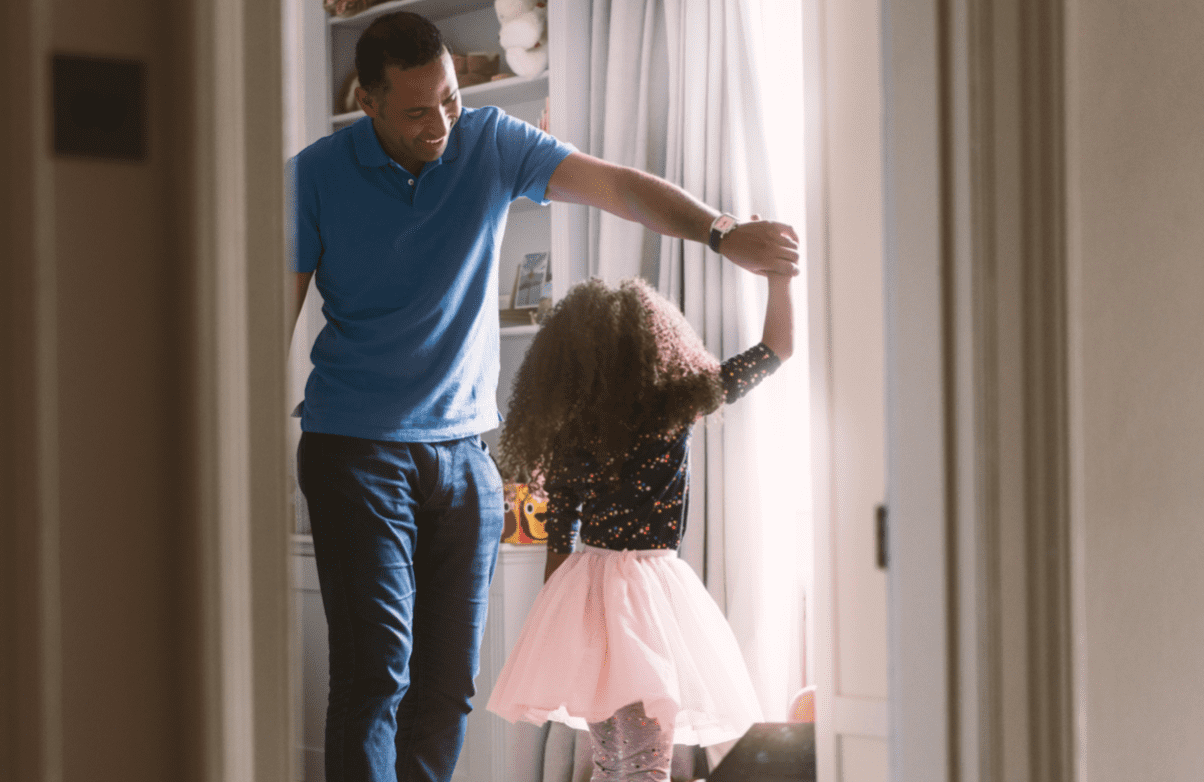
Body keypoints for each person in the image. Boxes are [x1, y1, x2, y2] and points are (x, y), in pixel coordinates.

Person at [289, 10, 798, 782]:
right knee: (375, 673)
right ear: (369, 101)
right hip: (355, 449)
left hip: (465, 455)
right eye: (418, 111)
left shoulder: (491, 143)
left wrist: (722, 233)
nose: (441, 125)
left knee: (449, 684)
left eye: (451, 100)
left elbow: (618, 189)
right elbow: (269, 320)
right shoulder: (316, 175)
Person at [486, 273, 793, 782]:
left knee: (612, 762)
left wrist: (555, 617)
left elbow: (560, 534)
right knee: (648, 765)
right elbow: (776, 349)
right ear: (655, 340)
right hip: (649, 590)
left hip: (588, 590)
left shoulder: (574, 425)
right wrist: (780, 280)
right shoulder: (681, 402)